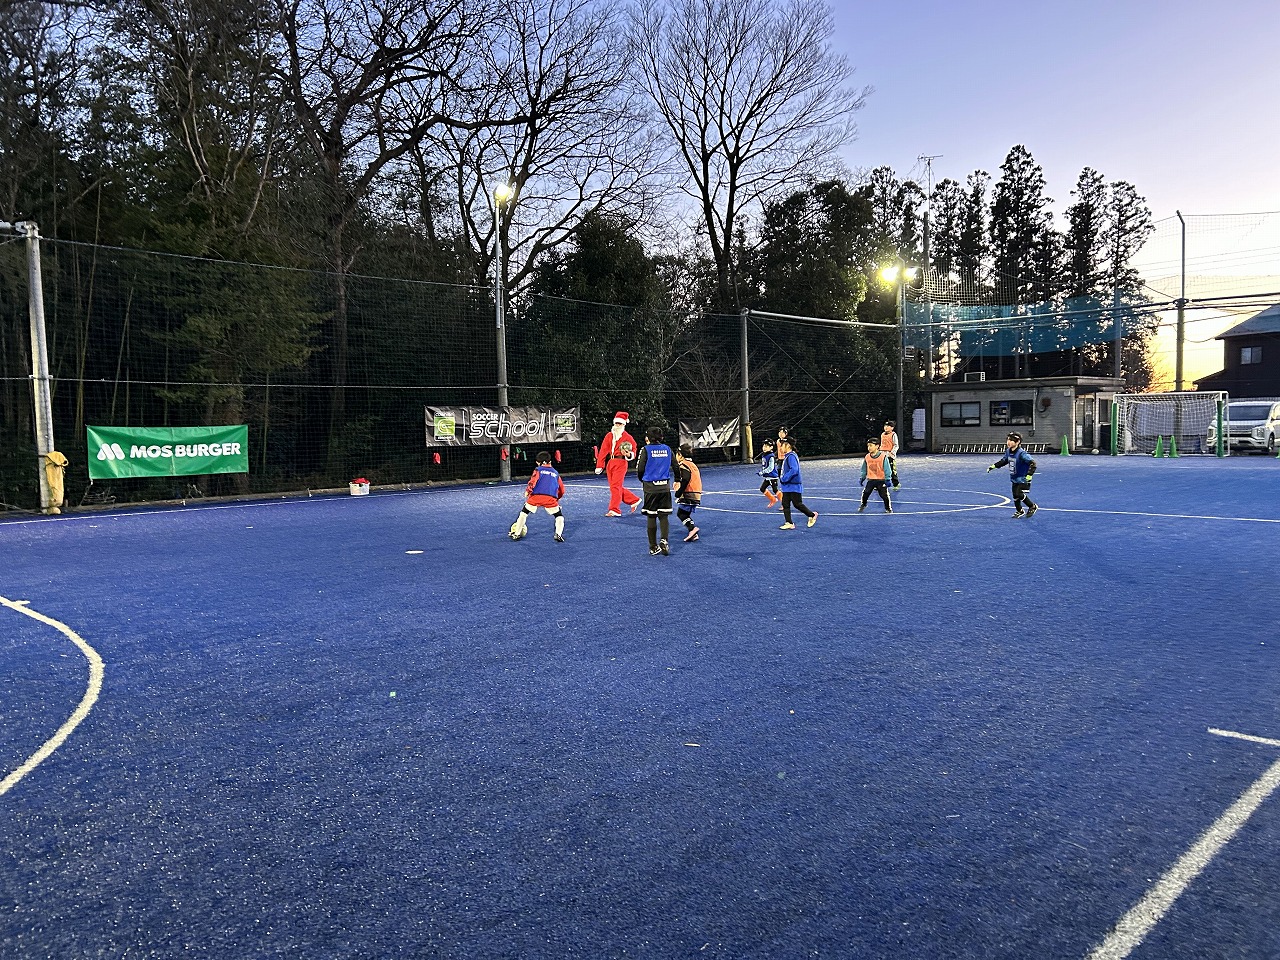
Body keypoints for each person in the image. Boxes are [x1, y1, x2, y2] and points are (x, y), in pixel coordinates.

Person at [635, 425, 677, 555]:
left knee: (651, 515)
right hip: (664, 486)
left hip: (650, 487)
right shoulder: (667, 449)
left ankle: (653, 546)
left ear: (647, 438)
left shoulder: (645, 449)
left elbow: (640, 468)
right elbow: (675, 465)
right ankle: (664, 540)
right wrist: (678, 479)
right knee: (663, 515)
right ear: (661, 437)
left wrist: (642, 479)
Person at [508, 451, 566, 541]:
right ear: (550, 461)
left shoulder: (538, 470)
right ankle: (558, 534)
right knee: (559, 516)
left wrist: (528, 491)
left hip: (535, 497)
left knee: (523, 513)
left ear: (539, 462)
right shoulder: (556, 473)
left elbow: (533, 481)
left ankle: (516, 534)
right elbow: (562, 489)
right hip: (550, 498)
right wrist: (557, 499)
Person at [594, 411, 640, 516]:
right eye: (616, 423)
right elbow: (603, 450)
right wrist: (600, 465)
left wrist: (628, 454)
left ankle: (614, 509)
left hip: (621, 462)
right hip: (611, 462)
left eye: (620, 423)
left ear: (624, 424)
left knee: (615, 486)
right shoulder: (609, 435)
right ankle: (633, 499)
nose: (617, 425)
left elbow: (633, 450)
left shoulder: (628, 437)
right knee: (614, 486)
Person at [987, 431, 1039, 518]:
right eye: (1008, 439)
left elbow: (1033, 464)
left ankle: (1032, 506)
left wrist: (1029, 475)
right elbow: (1004, 461)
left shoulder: (1022, 454)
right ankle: (1019, 511)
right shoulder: (1008, 451)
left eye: (1011, 440)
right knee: (1015, 495)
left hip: (1022, 478)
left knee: (1019, 493)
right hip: (1014, 477)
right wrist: (994, 466)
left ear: (1018, 442)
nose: (1008, 442)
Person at [776, 436, 817, 530]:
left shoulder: (791, 456)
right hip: (787, 486)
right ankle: (789, 522)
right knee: (785, 503)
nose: (780, 448)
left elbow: (794, 469)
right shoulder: (787, 456)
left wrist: (784, 478)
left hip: (793, 485)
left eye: (782, 445)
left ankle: (812, 515)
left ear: (788, 446)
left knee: (797, 504)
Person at [675, 443, 703, 542]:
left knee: (681, 514)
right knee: (685, 514)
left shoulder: (684, 464)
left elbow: (686, 479)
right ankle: (693, 534)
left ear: (680, 455)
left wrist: (679, 492)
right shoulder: (692, 465)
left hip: (689, 493)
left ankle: (692, 529)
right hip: (696, 493)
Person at [858, 438, 893, 513]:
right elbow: (864, 468)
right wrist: (862, 477)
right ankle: (863, 504)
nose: (869, 448)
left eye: (871, 445)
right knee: (866, 492)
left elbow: (887, 468)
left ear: (877, 446)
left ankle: (888, 508)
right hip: (871, 479)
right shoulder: (867, 457)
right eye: (868, 446)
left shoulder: (883, 457)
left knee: (883, 495)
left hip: (881, 480)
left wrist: (887, 479)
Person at [758, 439, 780, 506]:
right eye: (764, 446)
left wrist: (763, 472)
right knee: (762, 489)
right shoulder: (764, 455)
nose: (764, 448)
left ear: (771, 447)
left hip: (772, 477)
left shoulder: (771, 457)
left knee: (775, 490)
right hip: (768, 477)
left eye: (766, 446)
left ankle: (784, 504)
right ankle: (773, 499)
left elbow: (771, 468)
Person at [879, 420, 901, 488]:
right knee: (881, 470)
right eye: (885, 426)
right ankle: (880, 484)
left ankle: (896, 483)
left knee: (891, 470)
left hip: (889, 455)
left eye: (888, 426)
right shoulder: (882, 434)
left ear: (892, 428)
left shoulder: (893, 435)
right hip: (882, 454)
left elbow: (896, 445)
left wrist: (892, 453)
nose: (886, 427)